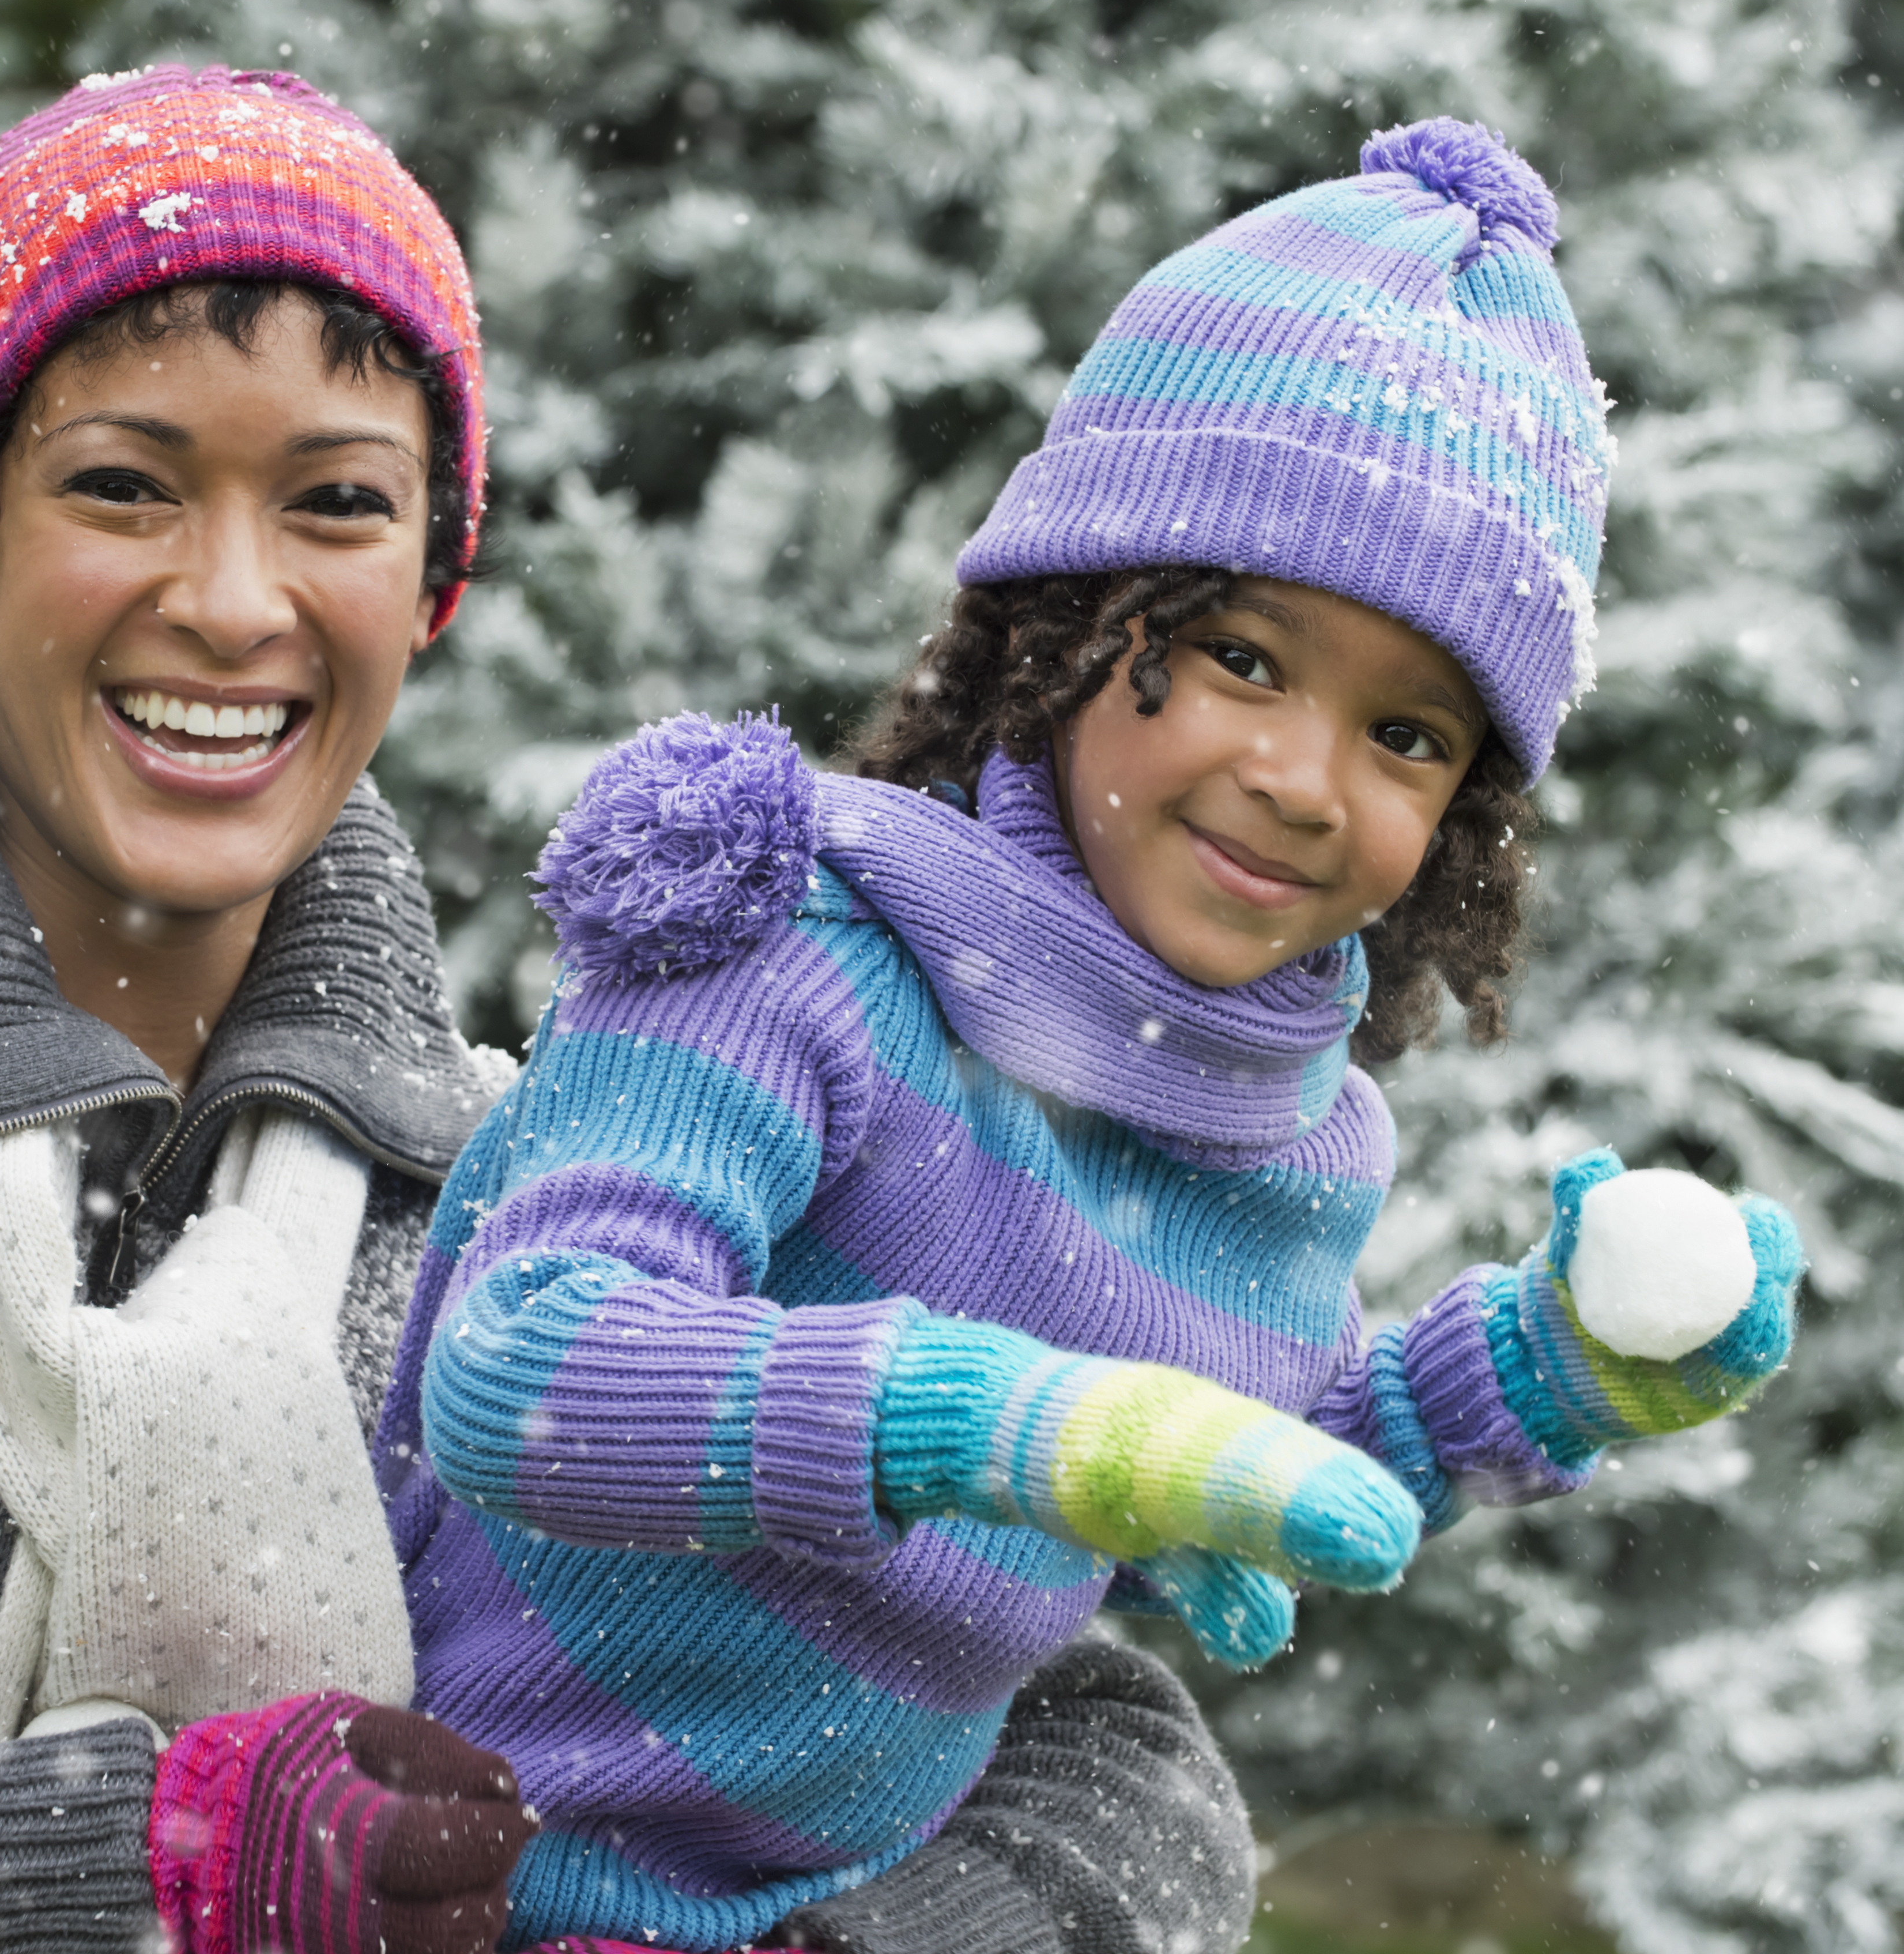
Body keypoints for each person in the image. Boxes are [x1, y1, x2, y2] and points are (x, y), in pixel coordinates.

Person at [0, 64, 1258, 1954]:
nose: (237, 599)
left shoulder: (527, 1191)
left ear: (425, 591)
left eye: (339, 504)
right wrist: (128, 1867)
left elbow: (1103, 1756)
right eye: (126, 485)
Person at [376, 120, 1809, 1954]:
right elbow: (527, 1366)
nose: (1304, 782)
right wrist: (994, 1418)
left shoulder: (1274, 1141)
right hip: (437, 1872)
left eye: (1410, 737)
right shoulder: (792, 949)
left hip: (821, 1915)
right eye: (1244, 660)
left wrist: (1543, 1368)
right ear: (1066, 625)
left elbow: (1234, 1469)